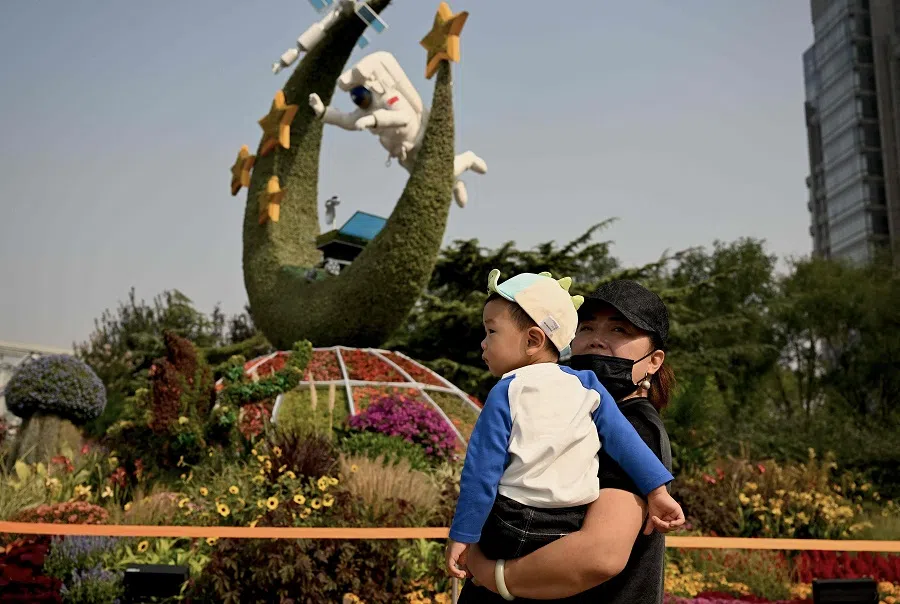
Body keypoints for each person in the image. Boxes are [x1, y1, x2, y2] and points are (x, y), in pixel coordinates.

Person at [446, 271, 683, 598]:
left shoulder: (634, 424)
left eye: (618, 329)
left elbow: (599, 555)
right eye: (586, 327)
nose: (597, 338)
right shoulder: (573, 398)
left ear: (654, 361)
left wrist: (491, 574)